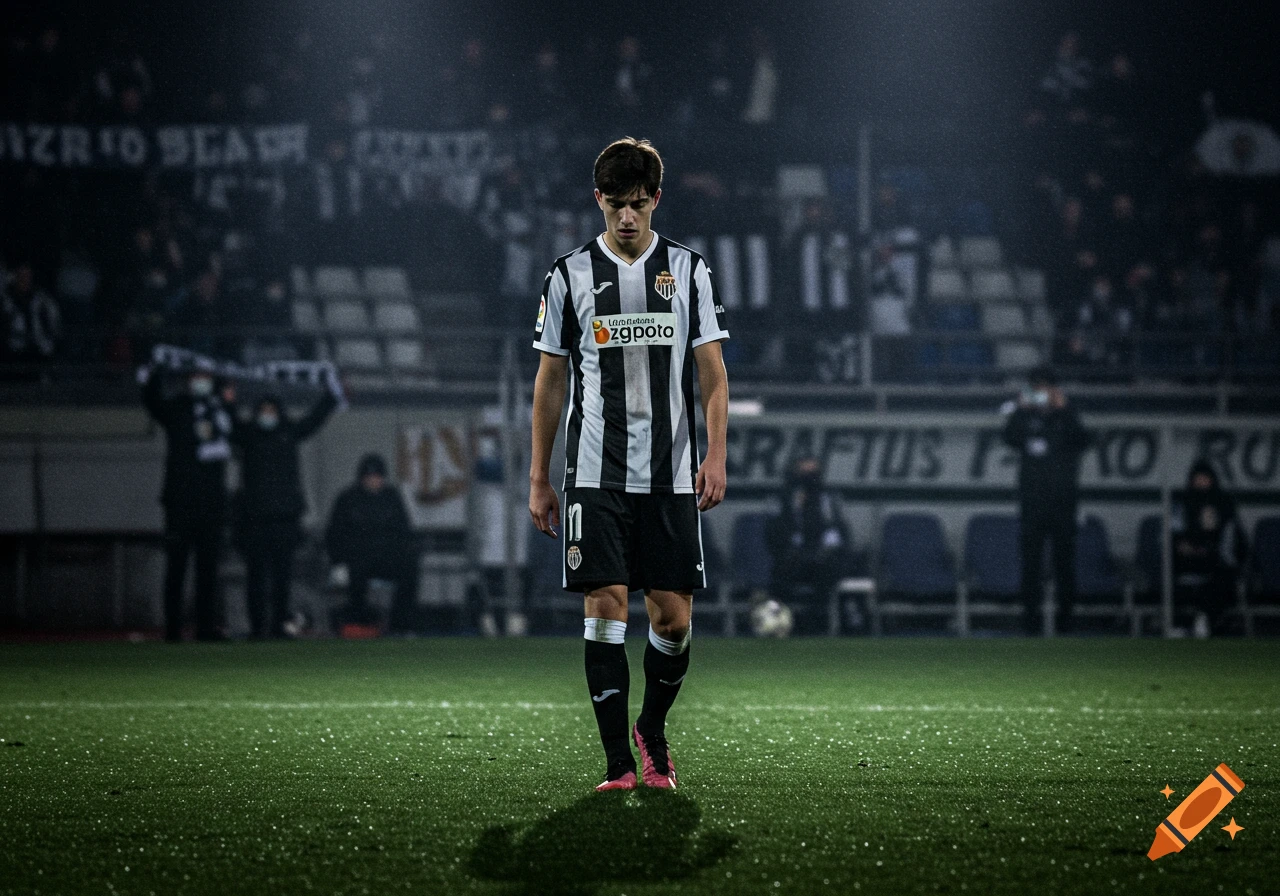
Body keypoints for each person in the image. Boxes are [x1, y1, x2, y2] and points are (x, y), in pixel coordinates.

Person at [528, 137, 730, 792]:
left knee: (672, 621)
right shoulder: (568, 277)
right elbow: (549, 382)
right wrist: (539, 475)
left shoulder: (689, 271)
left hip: (671, 473)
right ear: (599, 201)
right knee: (606, 605)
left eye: (638, 205)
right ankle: (618, 764)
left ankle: (651, 727)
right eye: (615, 205)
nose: (626, 218)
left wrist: (717, 454)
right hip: (595, 474)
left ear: (655, 201)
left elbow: (714, 378)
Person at [230, 388, 339, 638]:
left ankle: (278, 626)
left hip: (284, 519)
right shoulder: (249, 436)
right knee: (256, 579)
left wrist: (332, 396)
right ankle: (257, 628)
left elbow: (313, 420)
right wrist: (226, 400)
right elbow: (230, 425)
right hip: (255, 520)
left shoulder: (288, 432)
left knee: (282, 579)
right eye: (264, 411)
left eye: (272, 411)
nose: (268, 415)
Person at [140, 364, 233, 641]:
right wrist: (154, 372)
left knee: (208, 571)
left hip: (211, 506)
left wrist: (228, 400)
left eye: (205, 377)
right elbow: (152, 401)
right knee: (176, 569)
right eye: (196, 377)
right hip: (180, 503)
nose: (200, 382)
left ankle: (205, 628)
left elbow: (237, 434)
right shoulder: (178, 409)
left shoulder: (221, 413)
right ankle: (173, 630)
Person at [1001, 366, 1093, 635]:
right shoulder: (1026, 416)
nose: (1041, 393)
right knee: (1031, 565)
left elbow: (1083, 440)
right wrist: (1021, 408)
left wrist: (1064, 409)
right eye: (1036, 387)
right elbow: (1008, 437)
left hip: (1064, 504)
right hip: (1032, 505)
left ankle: (1065, 624)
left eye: (1046, 387)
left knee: (1064, 565)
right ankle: (1032, 625)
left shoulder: (1067, 416)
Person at [765, 456, 863, 634]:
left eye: (813, 472)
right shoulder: (784, 498)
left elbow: (840, 532)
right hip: (793, 558)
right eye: (804, 471)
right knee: (780, 574)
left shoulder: (829, 499)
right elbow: (774, 533)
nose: (809, 477)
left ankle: (821, 623)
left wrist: (828, 550)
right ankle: (779, 623)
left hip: (823, 560)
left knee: (833, 569)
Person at [325, 453, 419, 634]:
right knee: (356, 574)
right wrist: (339, 558)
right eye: (370, 477)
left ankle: (400, 624)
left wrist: (401, 550)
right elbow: (335, 533)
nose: (374, 480)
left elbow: (404, 530)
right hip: (357, 559)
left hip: (387, 558)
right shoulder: (348, 499)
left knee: (409, 568)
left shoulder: (391, 497)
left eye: (377, 476)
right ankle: (359, 622)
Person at [1173, 460, 1249, 638]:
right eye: (1197, 479)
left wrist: (1212, 550)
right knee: (1170, 574)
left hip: (1217, 562)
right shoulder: (1183, 504)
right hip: (1188, 562)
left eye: (1205, 479)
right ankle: (1181, 623)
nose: (1201, 483)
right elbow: (1174, 537)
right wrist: (1187, 548)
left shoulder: (1223, 504)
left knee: (1222, 579)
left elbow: (1234, 543)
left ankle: (1206, 619)